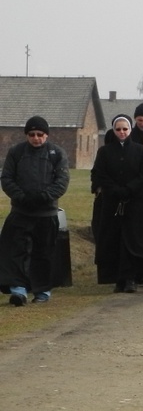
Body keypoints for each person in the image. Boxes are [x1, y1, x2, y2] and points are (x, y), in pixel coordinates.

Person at [0, 116, 70, 306]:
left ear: (46, 135)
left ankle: (42, 291)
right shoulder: (16, 152)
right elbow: (6, 178)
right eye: (32, 134)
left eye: (40, 134)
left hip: (46, 213)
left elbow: (62, 181)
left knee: (44, 254)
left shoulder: (57, 154)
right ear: (26, 135)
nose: (36, 138)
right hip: (21, 212)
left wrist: (44, 197)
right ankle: (18, 289)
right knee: (16, 252)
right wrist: (21, 196)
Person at [91, 114, 143, 293]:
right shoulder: (105, 151)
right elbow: (100, 174)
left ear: (130, 129)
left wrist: (129, 189)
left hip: (135, 203)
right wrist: (115, 189)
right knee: (114, 240)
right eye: (118, 129)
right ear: (114, 131)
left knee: (132, 241)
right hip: (112, 202)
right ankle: (118, 278)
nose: (122, 132)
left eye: (125, 129)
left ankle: (131, 278)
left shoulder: (141, 151)